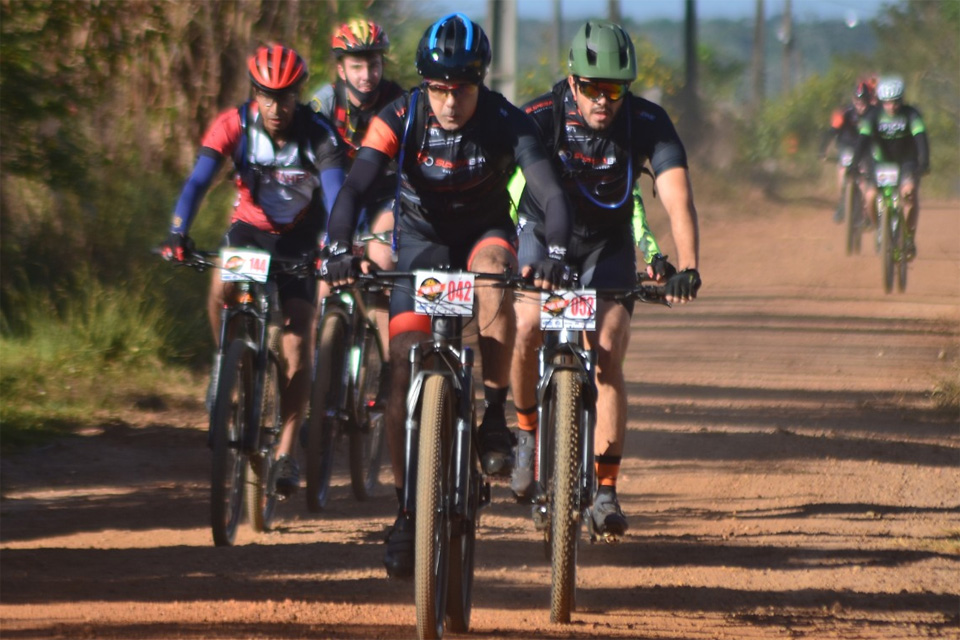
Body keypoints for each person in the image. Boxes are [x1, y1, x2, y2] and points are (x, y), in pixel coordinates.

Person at [321, 13, 575, 578]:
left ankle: (492, 415)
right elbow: (356, 184)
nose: (450, 100)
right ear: (424, 84)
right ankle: (407, 511)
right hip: (420, 239)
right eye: (439, 87)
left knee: (493, 277)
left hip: (483, 233)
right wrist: (338, 245)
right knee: (397, 378)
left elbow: (552, 195)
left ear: (479, 82)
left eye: (461, 87)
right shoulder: (399, 116)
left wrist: (554, 258)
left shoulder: (507, 121)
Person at [508, 20, 701, 541]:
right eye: (592, 88)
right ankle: (526, 433)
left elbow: (676, 193)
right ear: (571, 82)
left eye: (614, 89)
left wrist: (687, 265)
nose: (603, 101)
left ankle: (608, 491)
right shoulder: (540, 117)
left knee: (609, 351)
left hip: (605, 242)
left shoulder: (646, 122)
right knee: (526, 325)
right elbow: (500, 186)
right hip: (540, 232)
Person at [161, 44, 346, 498]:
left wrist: (338, 247)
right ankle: (227, 359)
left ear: (299, 94)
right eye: (266, 95)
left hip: (301, 238)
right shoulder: (233, 125)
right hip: (250, 229)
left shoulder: (319, 133)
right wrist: (178, 232)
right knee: (221, 279)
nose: (275, 106)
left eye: (284, 96)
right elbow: (198, 182)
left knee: (298, 341)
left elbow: (338, 193)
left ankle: (285, 451)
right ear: (255, 93)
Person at [310, 20, 404, 403]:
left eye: (374, 64)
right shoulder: (322, 105)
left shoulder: (399, 101)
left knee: (381, 260)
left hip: (383, 195)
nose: (367, 75)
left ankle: (387, 365)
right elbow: (321, 171)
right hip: (336, 195)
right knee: (323, 279)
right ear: (341, 68)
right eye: (357, 66)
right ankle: (318, 380)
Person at [850, 75, 929, 259]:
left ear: (902, 100)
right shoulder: (873, 115)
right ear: (881, 102)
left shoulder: (912, 114)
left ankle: (908, 237)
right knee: (870, 197)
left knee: (909, 195)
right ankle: (880, 230)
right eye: (887, 103)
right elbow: (863, 140)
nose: (891, 107)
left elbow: (921, 139)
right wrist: (854, 163)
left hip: (906, 161)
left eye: (895, 102)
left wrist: (924, 162)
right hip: (881, 162)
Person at [820, 79, 875, 223]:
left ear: (869, 100)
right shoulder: (845, 112)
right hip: (847, 146)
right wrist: (822, 149)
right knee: (843, 170)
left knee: (864, 178)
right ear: (852, 100)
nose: (860, 105)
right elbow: (831, 131)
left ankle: (867, 210)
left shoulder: (875, 114)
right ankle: (842, 204)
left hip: (865, 149)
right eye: (857, 101)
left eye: (863, 102)